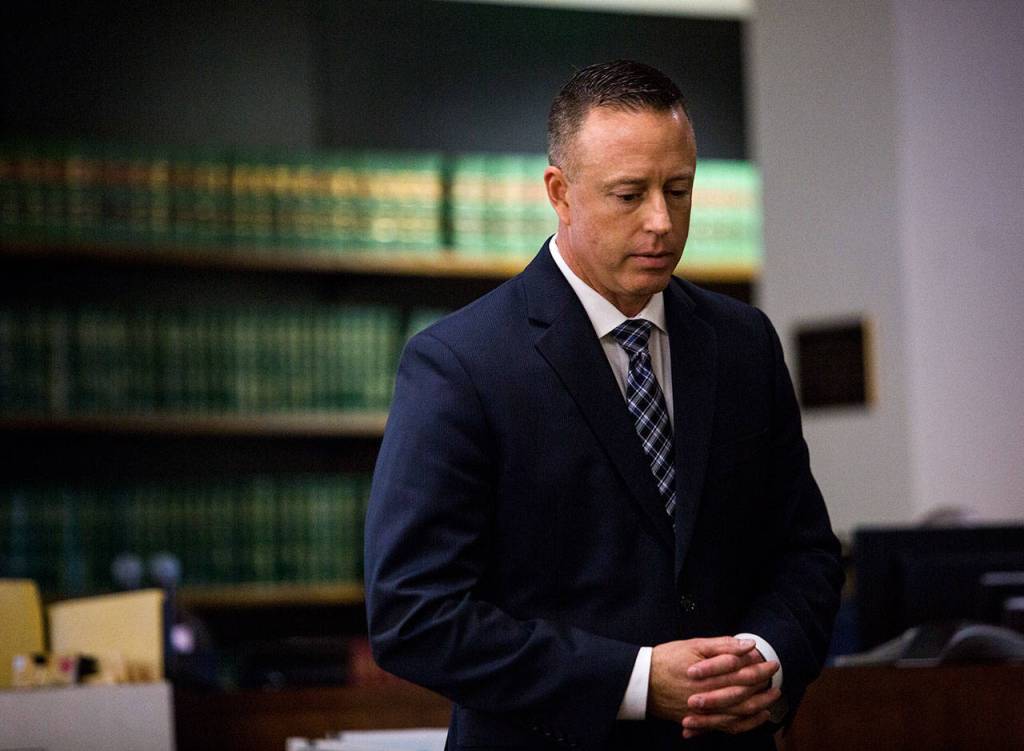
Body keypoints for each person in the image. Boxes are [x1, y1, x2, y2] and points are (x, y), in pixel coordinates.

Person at [364, 60, 844, 751]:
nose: (661, 221)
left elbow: (805, 552)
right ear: (560, 192)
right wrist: (639, 678)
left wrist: (765, 660)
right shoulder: (460, 364)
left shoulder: (743, 343)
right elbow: (414, 614)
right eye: (629, 194)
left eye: (679, 190)